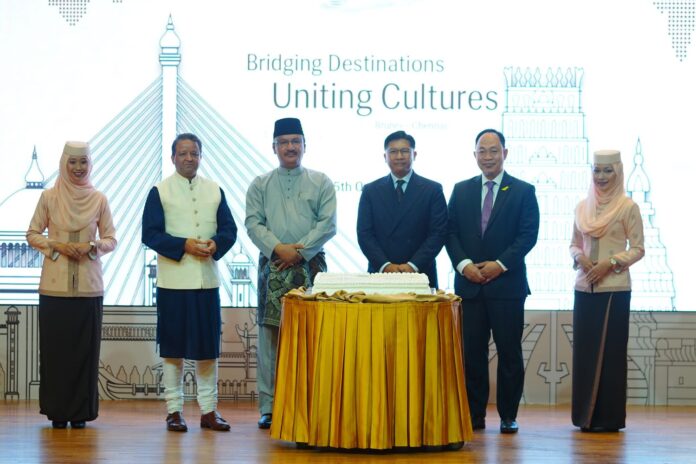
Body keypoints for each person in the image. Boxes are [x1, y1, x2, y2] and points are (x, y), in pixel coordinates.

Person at [445, 128, 539, 434]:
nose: (488, 157)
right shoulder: (461, 190)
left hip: (507, 287)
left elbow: (527, 236)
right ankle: (474, 415)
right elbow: (451, 233)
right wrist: (464, 266)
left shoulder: (523, 191)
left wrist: (499, 265)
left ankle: (508, 415)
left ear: (505, 154)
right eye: (482, 151)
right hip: (470, 286)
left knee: (509, 353)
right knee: (472, 355)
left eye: (493, 151)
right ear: (474, 156)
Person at [142, 133, 237, 432]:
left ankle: (209, 411)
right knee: (173, 349)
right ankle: (174, 411)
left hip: (206, 283)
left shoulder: (215, 189)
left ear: (200, 156)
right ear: (173, 157)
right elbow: (150, 234)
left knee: (207, 349)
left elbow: (230, 230)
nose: (188, 159)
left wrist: (215, 243)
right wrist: (184, 245)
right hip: (173, 283)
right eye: (182, 153)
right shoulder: (160, 191)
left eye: (194, 153)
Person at [245, 117, 337, 429]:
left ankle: (310, 400)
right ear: (274, 147)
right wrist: (278, 249)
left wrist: (299, 251)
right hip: (272, 266)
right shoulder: (260, 184)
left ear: (304, 145)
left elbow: (328, 224)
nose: (290, 147)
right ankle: (269, 407)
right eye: (283, 142)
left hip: (311, 268)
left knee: (313, 334)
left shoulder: (321, 181)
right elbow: (253, 223)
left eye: (295, 141)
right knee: (270, 336)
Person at [26, 141, 117, 429]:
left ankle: (80, 414)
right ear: (64, 163)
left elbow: (111, 238)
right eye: (73, 162)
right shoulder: (49, 197)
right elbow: (32, 233)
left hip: (89, 288)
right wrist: (56, 247)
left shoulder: (99, 199)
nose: (78, 168)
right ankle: (57, 412)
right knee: (56, 353)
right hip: (54, 289)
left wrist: (92, 247)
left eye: (84, 162)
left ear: (91, 164)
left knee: (85, 353)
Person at [570, 149, 645, 432]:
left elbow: (638, 248)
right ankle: (584, 418)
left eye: (607, 171)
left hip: (613, 288)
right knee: (584, 354)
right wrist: (580, 258)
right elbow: (574, 243)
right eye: (596, 170)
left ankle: (608, 419)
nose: (601, 177)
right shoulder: (581, 207)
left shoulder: (628, 207)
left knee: (611, 355)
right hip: (584, 287)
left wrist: (611, 263)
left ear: (618, 171)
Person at [357, 130, 447, 289]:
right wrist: (385, 265)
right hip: (381, 273)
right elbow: (364, 234)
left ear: (414, 154)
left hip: (420, 273)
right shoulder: (370, 190)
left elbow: (438, 233)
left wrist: (413, 265)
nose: (399, 156)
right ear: (385, 156)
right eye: (393, 152)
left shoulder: (432, 189)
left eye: (405, 151)